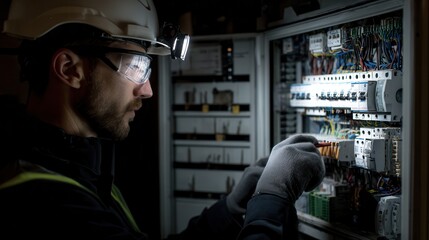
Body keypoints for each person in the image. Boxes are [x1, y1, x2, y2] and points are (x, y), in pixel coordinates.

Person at [0, 0, 325, 239]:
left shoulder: (76, 171)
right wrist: (272, 201)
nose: (148, 90)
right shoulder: (44, 205)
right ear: (70, 70)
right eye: (136, 66)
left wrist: (231, 212)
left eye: (148, 69)